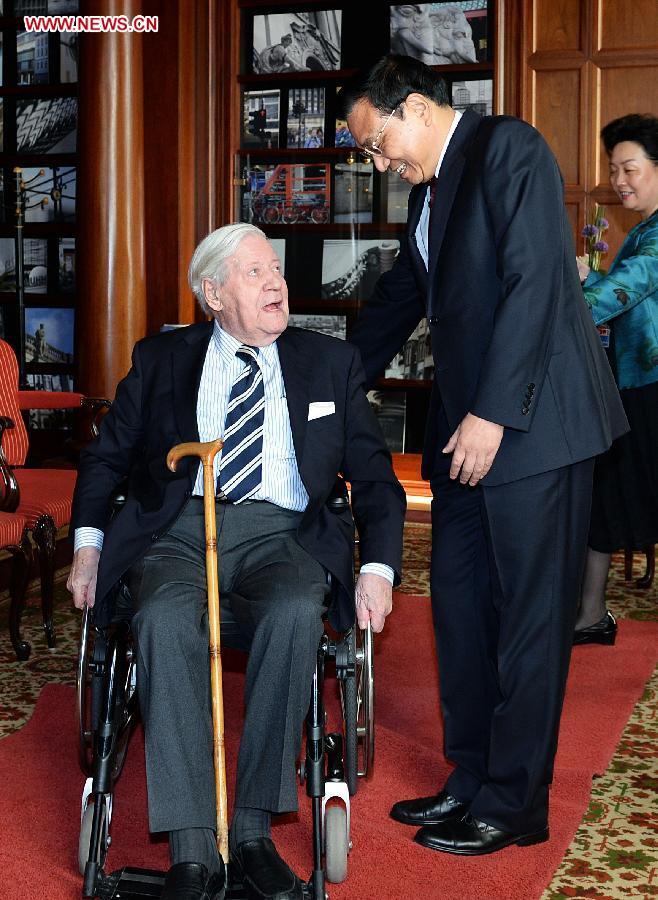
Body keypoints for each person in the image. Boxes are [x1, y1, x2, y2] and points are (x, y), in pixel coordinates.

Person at [338, 54, 627, 857]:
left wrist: (493, 415)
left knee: (527, 622)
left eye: (379, 143)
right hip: (463, 439)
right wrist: (320, 387)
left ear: (419, 107)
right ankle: (470, 777)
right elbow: (403, 297)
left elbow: (537, 283)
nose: (380, 162)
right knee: (462, 614)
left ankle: (516, 802)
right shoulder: (428, 192)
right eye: (368, 153)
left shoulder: (509, 149)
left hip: (533, 431)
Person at [68, 223, 406, 900]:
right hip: (179, 529)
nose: (275, 282)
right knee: (162, 616)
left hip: (286, 534)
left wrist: (379, 569)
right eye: (254, 273)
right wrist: (87, 547)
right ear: (213, 294)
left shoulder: (328, 363)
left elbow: (374, 479)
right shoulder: (162, 360)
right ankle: (193, 850)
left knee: (292, 614)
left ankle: (251, 831)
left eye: (274, 269)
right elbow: (107, 460)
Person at [574, 114, 658, 645]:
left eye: (631, 168)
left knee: (614, 497)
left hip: (650, 388)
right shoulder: (643, 230)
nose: (620, 180)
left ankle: (589, 613)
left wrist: (573, 291)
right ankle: (590, 614)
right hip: (633, 385)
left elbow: (621, 295)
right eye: (614, 169)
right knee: (604, 498)